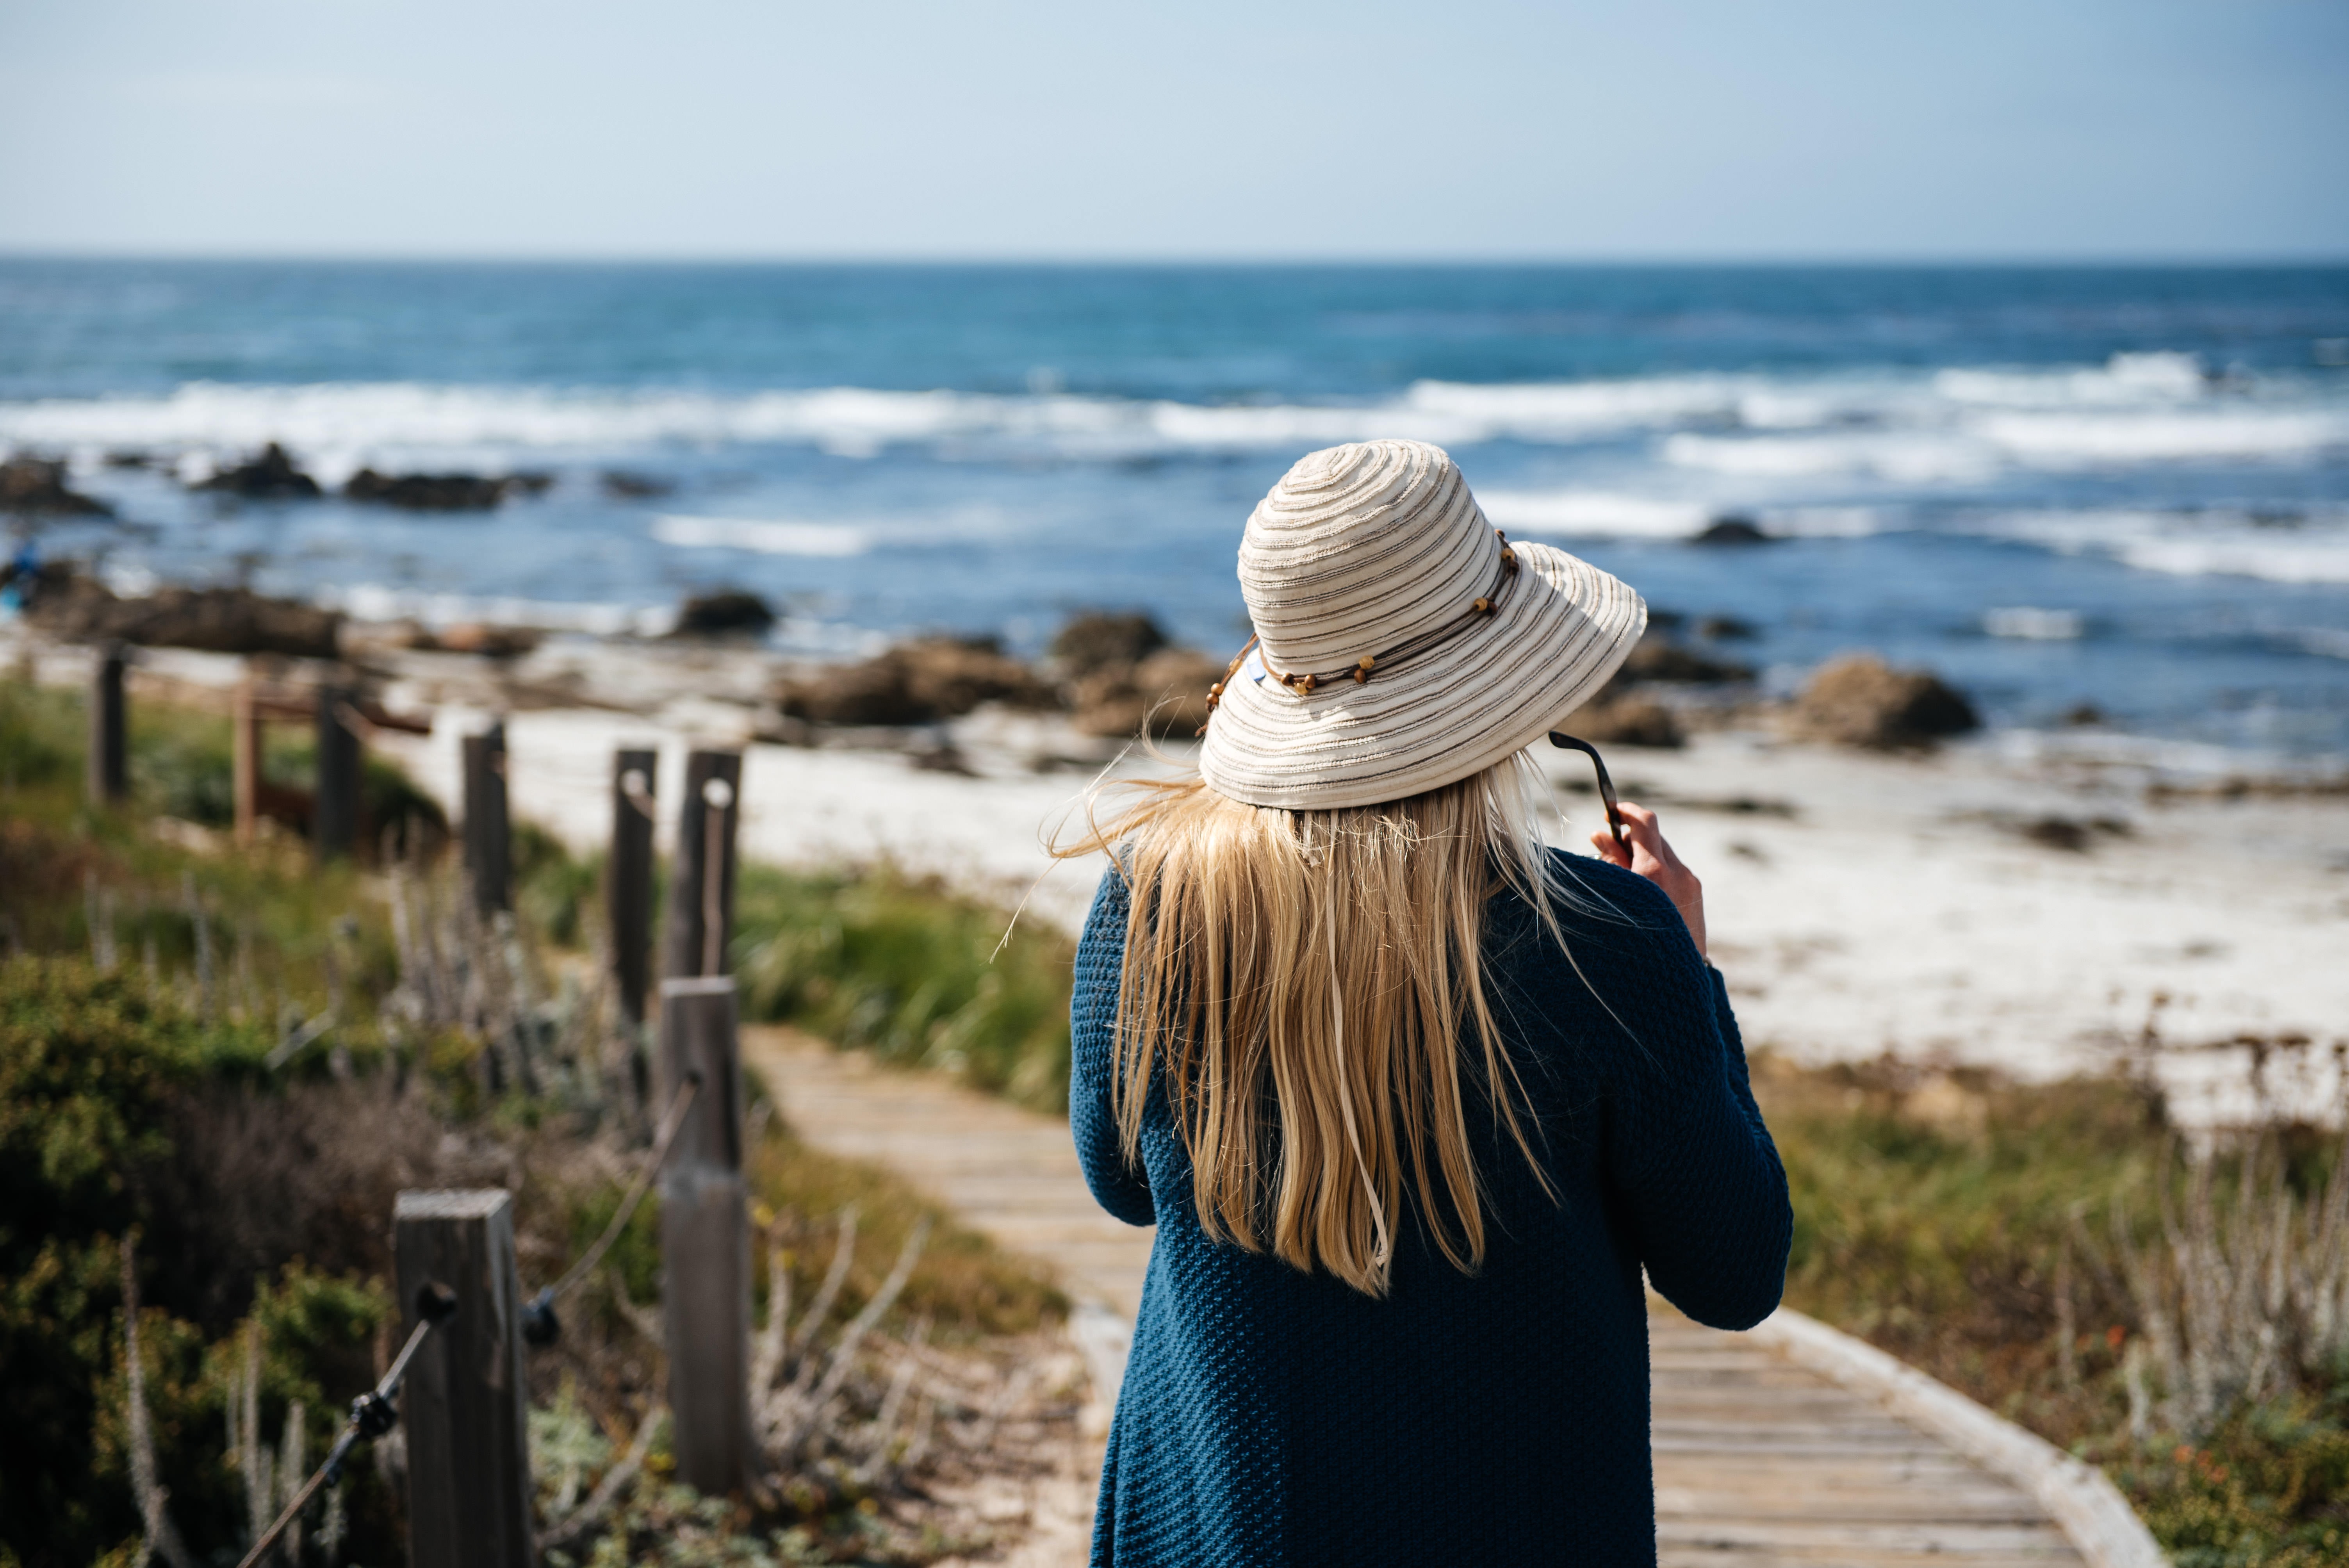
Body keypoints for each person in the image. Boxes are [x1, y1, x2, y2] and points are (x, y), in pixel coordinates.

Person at [1060, 438, 1791, 1566]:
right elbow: (1736, 1273)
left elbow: (1121, 1186)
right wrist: (1691, 979)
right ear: (1506, 698)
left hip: (1222, 1527)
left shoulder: (1152, 904)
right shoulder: (1607, 944)